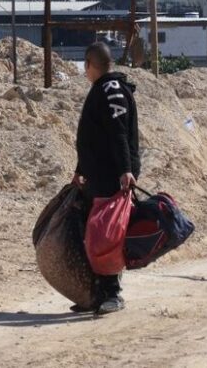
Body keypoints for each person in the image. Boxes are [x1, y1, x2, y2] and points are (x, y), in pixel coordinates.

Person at [71, 41, 140, 314]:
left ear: (90, 64)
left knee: (106, 236)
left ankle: (113, 293)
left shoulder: (111, 91)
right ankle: (97, 293)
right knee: (94, 234)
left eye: (85, 67)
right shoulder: (105, 89)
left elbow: (118, 133)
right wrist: (80, 169)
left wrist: (125, 170)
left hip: (112, 176)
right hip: (98, 175)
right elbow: (94, 138)